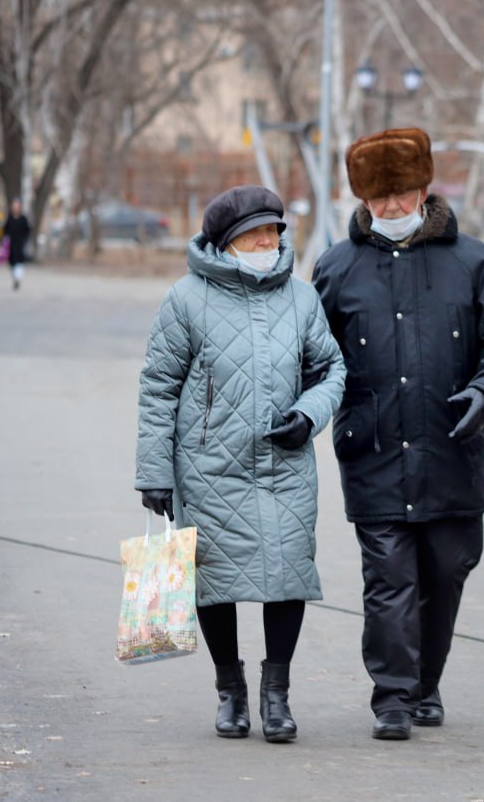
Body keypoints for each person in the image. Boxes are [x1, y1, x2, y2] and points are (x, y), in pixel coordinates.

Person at [311, 127, 484, 741]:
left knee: (446, 571)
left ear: (425, 188)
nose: (394, 207)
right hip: (373, 450)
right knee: (389, 581)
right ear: (362, 199)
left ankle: (427, 684)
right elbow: (310, 354)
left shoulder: (472, 261)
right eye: (380, 198)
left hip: (453, 448)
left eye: (403, 192)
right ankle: (394, 700)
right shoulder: (336, 266)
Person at [135, 185, 345, 743]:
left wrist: (307, 415)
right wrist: (154, 471)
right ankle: (230, 690)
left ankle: (277, 696)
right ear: (226, 242)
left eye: (273, 230)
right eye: (254, 233)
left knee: (288, 576)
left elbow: (331, 370)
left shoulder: (301, 298)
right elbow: (158, 387)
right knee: (215, 583)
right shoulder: (185, 298)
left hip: (285, 464)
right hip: (209, 467)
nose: (266, 241)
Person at [2, 197, 31, 291]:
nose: (15, 207)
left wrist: (25, 241)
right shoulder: (10, 218)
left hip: (20, 243)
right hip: (11, 244)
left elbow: (27, 231)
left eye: (17, 206)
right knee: (12, 262)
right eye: (14, 206)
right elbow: (5, 230)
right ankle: (15, 278)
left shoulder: (23, 219)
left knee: (20, 261)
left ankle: (18, 279)